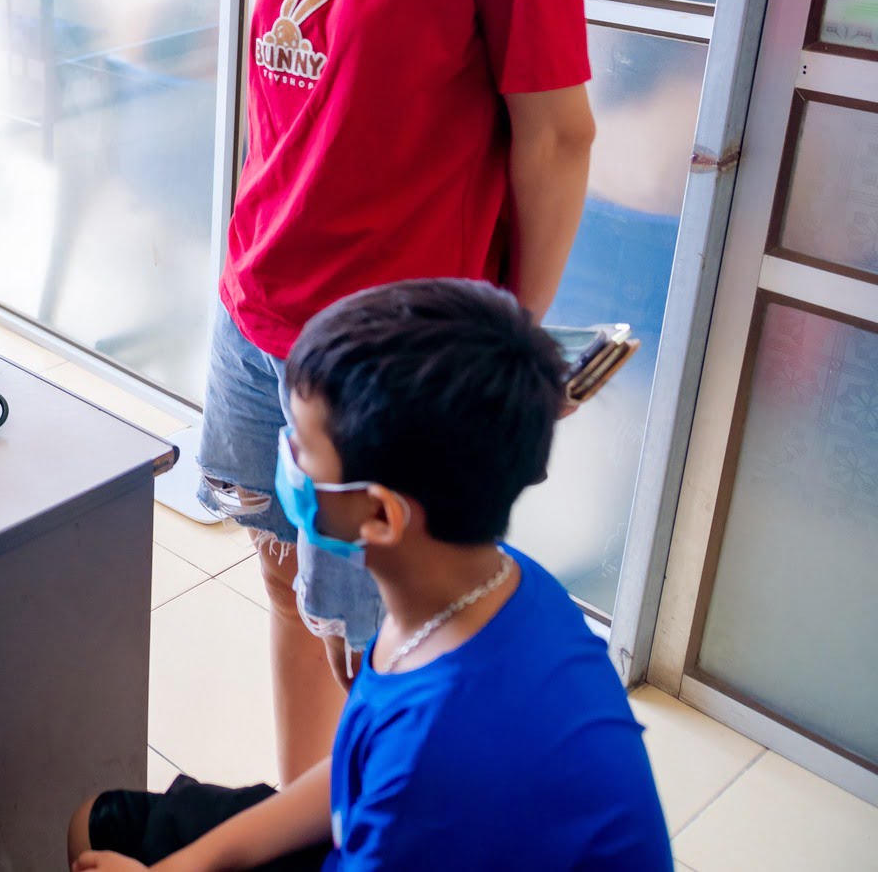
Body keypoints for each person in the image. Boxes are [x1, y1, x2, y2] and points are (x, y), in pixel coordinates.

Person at [154, 0, 597, 776]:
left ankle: (365, 827)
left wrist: (507, 341)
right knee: (281, 571)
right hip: (256, 309)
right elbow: (290, 107)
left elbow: (554, 135)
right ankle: (306, 816)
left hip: (383, 362)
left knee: (378, 639)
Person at [70, 280, 670, 871]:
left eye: (302, 448)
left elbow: (398, 775)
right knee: (102, 824)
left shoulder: (435, 757)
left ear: (380, 515)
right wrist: (194, 862)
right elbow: (356, 768)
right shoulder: (490, 585)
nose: (285, 457)